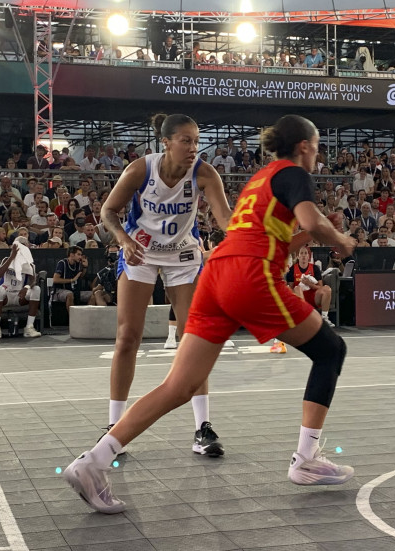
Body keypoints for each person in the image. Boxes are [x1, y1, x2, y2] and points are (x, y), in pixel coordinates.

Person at [63, 115, 357, 513]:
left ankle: (93, 462)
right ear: (304, 146)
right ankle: (305, 460)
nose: (317, 154)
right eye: (317, 146)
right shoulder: (294, 173)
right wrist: (339, 238)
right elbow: (309, 221)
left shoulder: (259, 180)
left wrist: (311, 237)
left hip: (214, 273)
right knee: (330, 350)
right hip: (246, 274)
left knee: (179, 386)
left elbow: (273, 235)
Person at [95, 113, 232, 458]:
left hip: (183, 255)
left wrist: (259, 230)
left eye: (197, 141)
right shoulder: (141, 170)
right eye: (185, 140)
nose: (193, 148)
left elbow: (227, 220)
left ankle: (202, 429)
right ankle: (114, 426)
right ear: (166, 143)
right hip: (140, 250)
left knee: (194, 340)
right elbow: (108, 211)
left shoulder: (204, 173)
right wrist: (124, 239)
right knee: (128, 337)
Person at [0, 238, 42, 338]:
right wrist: (12, 256)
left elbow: (33, 280)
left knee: (36, 289)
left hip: (20, 295)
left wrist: (26, 287)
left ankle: (29, 327)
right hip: (7, 293)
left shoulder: (29, 263)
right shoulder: (6, 259)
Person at [285, 246, 333, 327]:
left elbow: (320, 287)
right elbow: (291, 289)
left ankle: (324, 318)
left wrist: (309, 284)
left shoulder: (315, 268)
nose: (303, 255)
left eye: (305, 253)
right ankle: (302, 317)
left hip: (313, 296)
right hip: (299, 296)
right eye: (301, 253)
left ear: (308, 256)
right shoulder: (292, 269)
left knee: (327, 289)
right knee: (297, 288)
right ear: (298, 256)